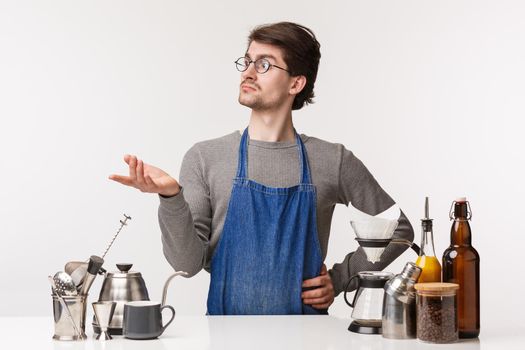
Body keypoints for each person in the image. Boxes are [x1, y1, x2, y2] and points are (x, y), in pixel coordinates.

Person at [109, 22, 414, 315]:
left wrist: (339, 279)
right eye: (247, 61)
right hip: (227, 337)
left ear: (296, 83)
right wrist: (171, 198)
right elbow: (187, 265)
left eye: (265, 64)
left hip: (308, 338)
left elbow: (398, 229)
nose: (249, 72)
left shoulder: (332, 160)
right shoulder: (205, 157)